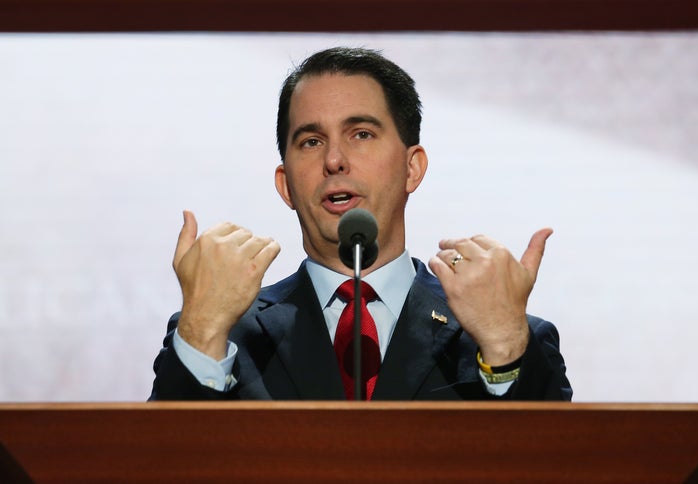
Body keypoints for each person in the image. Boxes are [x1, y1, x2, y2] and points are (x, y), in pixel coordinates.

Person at [150, 47, 572, 401]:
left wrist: (503, 345)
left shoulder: (494, 334)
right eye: (311, 141)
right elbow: (156, 464)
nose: (334, 160)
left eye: (362, 134)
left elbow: (557, 466)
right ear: (286, 186)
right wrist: (203, 329)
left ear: (412, 168)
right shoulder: (225, 332)